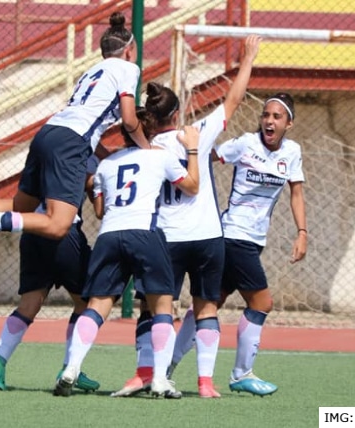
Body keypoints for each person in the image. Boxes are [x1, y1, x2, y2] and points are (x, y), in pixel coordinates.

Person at [0, 11, 149, 253]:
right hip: (69, 143)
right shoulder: (127, 68)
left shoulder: (91, 72)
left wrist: (104, 155)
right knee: (59, 225)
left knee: (21, 206)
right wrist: (147, 148)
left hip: (49, 133)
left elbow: (85, 126)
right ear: (130, 51)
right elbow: (130, 120)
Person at [111, 35, 262, 399]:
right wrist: (248, 60)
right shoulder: (196, 136)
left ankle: (144, 374)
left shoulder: (144, 147)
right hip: (207, 236)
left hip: (164, 239)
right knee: (206, 307)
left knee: (153, 308)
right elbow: (233, 101)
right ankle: (205, 383)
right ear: (176, 116)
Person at [53, 111, 201, 399]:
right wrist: (192, 148)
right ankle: (159, 379)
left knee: (96, 305)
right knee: (162, 307)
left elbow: (99, 210)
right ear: (152, 132)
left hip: (110, 235)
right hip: (144, 232)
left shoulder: (107, 164)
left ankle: (71, 367)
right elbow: (192, 186)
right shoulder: (160, 156)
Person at [169, 92, 307, 397]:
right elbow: (208, 156)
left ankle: (166, 366)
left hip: (254, 240)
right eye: (266, 115)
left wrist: (302, 232)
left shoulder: (293, 152)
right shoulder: (245, 143)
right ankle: (241, 373)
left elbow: (296, 192)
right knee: (261, 303)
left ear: (289, 124)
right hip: (233, 235)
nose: (269, 121)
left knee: (209, 304)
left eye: (277, 117)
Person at [0, 155, 102, 393]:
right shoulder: (81, 152)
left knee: (29, 304)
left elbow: (23, 198)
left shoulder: (44, 156)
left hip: (33, 230)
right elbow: (90, 184)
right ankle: (70, 368)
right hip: (63, 233)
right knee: (86, 304)